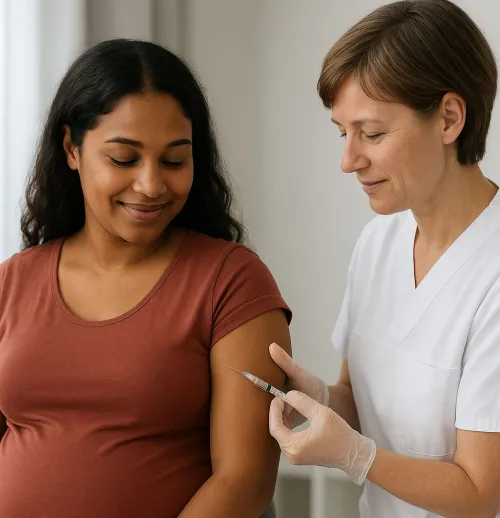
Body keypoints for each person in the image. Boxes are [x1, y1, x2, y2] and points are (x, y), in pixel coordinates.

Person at [0, 39, 291, 518]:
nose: (152, 185)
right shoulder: (13, 282)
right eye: (124, 159)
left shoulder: (232, 282)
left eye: (175, 160)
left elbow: (246, 481)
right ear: (72, 148)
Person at [268, 1, 500, 517]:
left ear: (449, 118)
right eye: (342, 132)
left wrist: (355, 456)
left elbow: (483, 493)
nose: (349, 161)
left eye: (371, 134)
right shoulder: (378, 243)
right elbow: (359, 398)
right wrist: (323, 401)